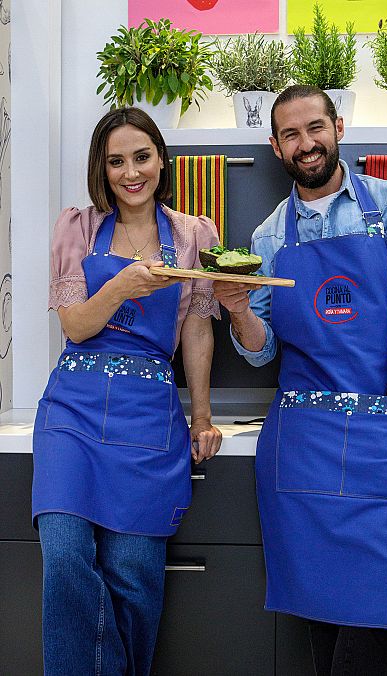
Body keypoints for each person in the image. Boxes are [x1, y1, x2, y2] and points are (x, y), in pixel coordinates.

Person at [213, 85, 387, 676]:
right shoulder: (268, 238)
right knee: (322, 633)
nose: (306, 143)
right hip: (304, 452)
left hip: (384, 441)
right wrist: (238, 309)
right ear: (274, 146)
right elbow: (261, 354)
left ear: (337, 126)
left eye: (315, 127)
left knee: (372, 635)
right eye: (290, 134)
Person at [32, 107, 222, 676]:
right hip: (73, 412)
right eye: (116, 161)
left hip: (148, 419)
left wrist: (202, 416)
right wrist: (121, 284)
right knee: (65, 562)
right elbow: (75, 326)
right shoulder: (78, 227)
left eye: (141, 157)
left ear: (161, 159)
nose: (130, 172)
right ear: (102, 168)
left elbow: (195, 328)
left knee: (134, 581)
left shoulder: (194, 235)